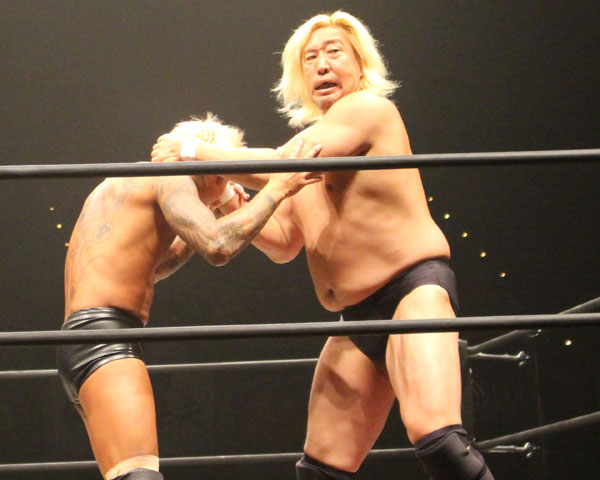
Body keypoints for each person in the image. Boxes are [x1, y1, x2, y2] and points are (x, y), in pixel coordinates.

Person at [151, 11, 494, 480]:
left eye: (334, 52)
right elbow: (285, 242)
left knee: (438, 441)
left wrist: (191, 152)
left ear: (360, 63)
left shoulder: (367, 111)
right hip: (356, 317)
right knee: (321, 470)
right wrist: (230, 202)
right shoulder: (310, 150)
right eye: (310, 58)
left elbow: (287, 160)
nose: (322, 65)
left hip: (410, 295)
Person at [57, 114, 322, 480]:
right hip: (106, 338)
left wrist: (207, 214)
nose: (228, 186)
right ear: (210, 170)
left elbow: (155, 265)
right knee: (141, 477)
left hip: (80, 339)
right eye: (226, 175)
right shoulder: (172, 176)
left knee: (125, 474)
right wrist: (277, 188)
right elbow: (218, 245)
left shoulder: (123, 183)